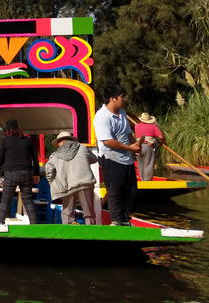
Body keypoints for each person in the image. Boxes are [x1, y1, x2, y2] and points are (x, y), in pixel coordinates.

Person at [93, 85, 141, 226]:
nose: (124, 99)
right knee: (115, 191)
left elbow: (127, 134)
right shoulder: (102, 117)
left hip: (126, 158)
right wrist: (129, 148)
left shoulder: (122, 113)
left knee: (131, 190)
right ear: (113, 99)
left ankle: (126, 219)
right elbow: (107, 141)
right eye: (121, 97)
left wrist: (135, 146)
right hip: (111, 158)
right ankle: (116, 220)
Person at [44, 131, 98, 225]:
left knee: (67, 214)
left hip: (66, 186)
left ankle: (68, 235)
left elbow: (48, 172)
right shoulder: (82, 148)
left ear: (61, 142)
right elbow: (94, 159)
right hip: (85, 183)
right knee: (89, 213)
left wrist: (53, 184)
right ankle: (91, 234)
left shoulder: (54, 155)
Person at [0, 119, 39, 224]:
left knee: (6, 199)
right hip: (26, 174)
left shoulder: (5, 140)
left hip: (11, 174)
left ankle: (0, 222)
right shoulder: (28, 140)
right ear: (18, 129)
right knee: (27, 199)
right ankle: (34, 224)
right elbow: (35, 158)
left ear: (7, 130)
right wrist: (36, 173)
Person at [134, 112, 165, 181]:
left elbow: (137, 136)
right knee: (148, 164)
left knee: (140, 165)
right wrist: (163, 142)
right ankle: (147, 181)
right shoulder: (153, 126)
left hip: (138, 146)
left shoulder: (136, 126)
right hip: (148, 146)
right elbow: (161, 136)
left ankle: (142, 180)